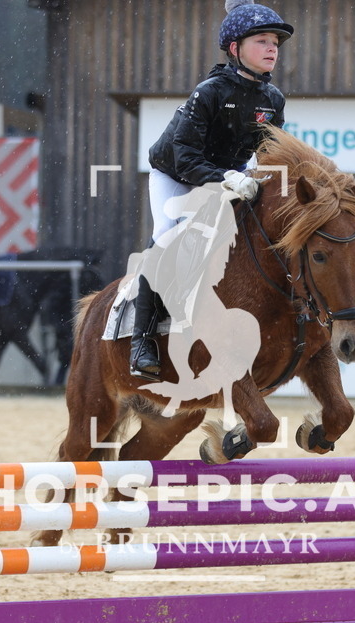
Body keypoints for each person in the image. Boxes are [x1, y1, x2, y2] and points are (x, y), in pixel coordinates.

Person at [129, 0, 295, 381]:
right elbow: (186, 158)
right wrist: (227, 178)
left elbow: (271, 152)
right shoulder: (210, 92)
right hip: (176, 175)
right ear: (235, 49)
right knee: (167, 237)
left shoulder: (273, 100)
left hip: (229, 174)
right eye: (262, 41)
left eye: (275, 43)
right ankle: (142, 343)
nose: (272, 48)